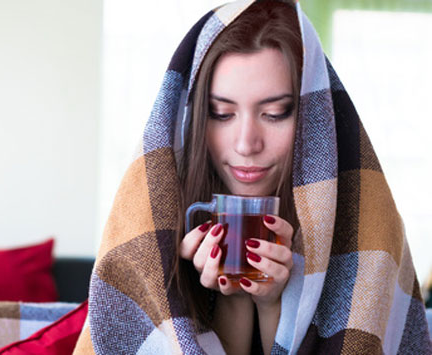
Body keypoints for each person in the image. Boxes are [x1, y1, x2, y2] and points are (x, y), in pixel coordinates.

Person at [73, 1, 432, 354]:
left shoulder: (368, 227)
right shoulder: (156, 225)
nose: (246, 144)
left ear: (315, 120)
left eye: (275, 113)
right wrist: (230, 297)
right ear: (196, 118)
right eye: (221, 113)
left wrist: (274, 303)